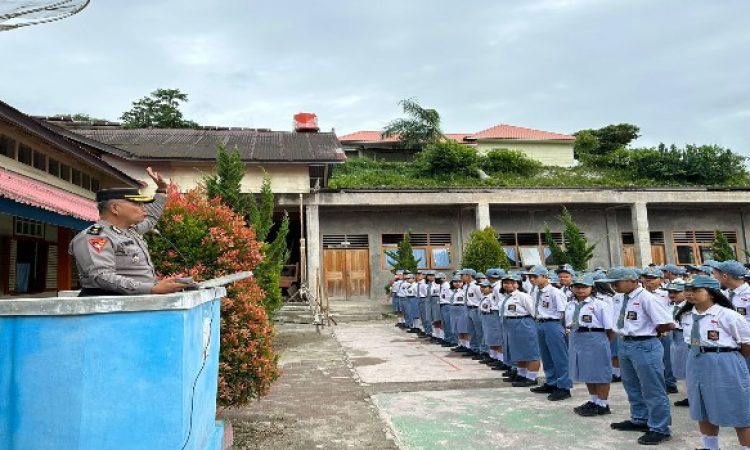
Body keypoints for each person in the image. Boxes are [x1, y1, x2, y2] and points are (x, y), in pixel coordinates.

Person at [70, 167, 190, 297]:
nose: (143, 209)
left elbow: (150, 218)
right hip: (110, 306)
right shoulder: (96, 236)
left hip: (132, 302)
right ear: (115, 208)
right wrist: (152, 288)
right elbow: (102, 276)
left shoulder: (130, 231)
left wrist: (161, 190)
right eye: (137, 204)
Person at [676, 275, 750, 450]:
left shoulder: (728, 315)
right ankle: (710, 447)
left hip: (724, 362)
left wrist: (726, 357)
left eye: (697, 291)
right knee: (702, 408)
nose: (690, 294)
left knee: (737, 408)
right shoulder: (685, 315)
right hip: (695, 361)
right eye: (688, 290)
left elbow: (746, 344)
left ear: (711, 294)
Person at [605, 267, 675, 445]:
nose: (613, 286)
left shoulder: (647, 298)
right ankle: (640, 418)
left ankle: (660, 428)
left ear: (631, 280)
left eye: (616, 282)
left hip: (644, 344)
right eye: (611, 283)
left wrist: (651, 334)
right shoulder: (619, 297)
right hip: (625, 342)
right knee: (631, 384)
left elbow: (666, 323)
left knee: (652, 387)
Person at [566, 274, 614, 417]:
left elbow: (610, 329)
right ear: (572, 288)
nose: (580, 290)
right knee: (587, 371)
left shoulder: (599, 304)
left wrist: (603, 342)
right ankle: (594, 401)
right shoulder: (570, 304)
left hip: (595, 337)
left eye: (584, 287)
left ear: (591, 288)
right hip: (577, 338)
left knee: (600, 373)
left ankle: (603, 404)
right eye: (577, 287)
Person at [527, 265, 571, 401]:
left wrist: (565, 329)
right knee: (546, 356)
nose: (532, 279)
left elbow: (563, 312)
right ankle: (552, 382)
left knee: (559, 357)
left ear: (545, 277)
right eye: (530, 277)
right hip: (540, 324)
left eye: (535, 277)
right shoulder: (534, 291)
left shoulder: (555, 292)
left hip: (553, 324)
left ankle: (564, 387)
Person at [641, 267, 678, 394]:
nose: (649, 281)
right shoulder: (639, 294)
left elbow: (672, 311)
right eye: (647, 279)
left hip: (663, 330)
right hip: (645, 331)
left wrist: (666, 327)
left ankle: (669, 382)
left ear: (661, 279)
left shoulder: (666, 294)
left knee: (667, 358)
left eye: (653, 279)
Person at [500, 273, 541, 387]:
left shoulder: (523, 296)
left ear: (518, 284)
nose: (508, 285)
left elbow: (534, 312)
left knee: (530, 351)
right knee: (518, 351)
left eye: (512, 282)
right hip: (511, 325)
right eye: (506, 283)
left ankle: (531, 377)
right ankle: (522, 374)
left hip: (523, 323)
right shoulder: (506, 297)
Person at [713, 260, 750, 371]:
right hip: (729, 345)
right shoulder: (725, 294)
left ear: (724, 276)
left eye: (717, 275)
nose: (716, 278)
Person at [665, 280, 690, 407]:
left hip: (685, 337)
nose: (672, 294)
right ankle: (690, 395)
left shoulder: (689, 306)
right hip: (675, 337)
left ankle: (693, 397)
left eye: (676, 292)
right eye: (670, 292)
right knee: (681, 367)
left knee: (689, 367)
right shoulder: (673, 305)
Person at [462, 269, 487, 361]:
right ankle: (474, 348)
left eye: (463, 275)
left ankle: (482, 351)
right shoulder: (465, 286)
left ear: (469, 275)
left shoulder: (477, 286)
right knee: (471, 330)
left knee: (479, 331)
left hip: (476, 309)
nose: (462, 277)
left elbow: (482, 298)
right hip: (468, 308)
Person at [478, 280, 503, 368]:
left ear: (490, 288)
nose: (482, 289)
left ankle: (500, 359)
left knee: (496, 339)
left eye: (485, 287)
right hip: (486, 316)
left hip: (492, 316)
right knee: (490, 339)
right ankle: (493, 356)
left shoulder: (492, 296)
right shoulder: (483, 296)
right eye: (481, 287)